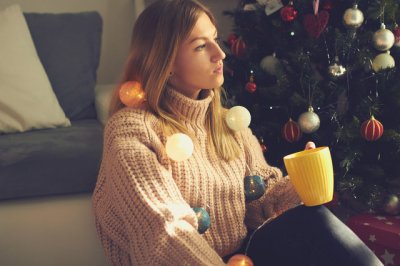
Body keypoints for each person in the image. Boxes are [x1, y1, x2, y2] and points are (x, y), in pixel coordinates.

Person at [92, 0, 383, 265]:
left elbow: (262, 198)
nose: (220, 54)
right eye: (200, 46)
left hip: (243, 257)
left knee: (313, 220)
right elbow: (163, 231)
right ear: (165, 62)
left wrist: (299, 185)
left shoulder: (227, 124)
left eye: (215, 39)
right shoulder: (132, 130)